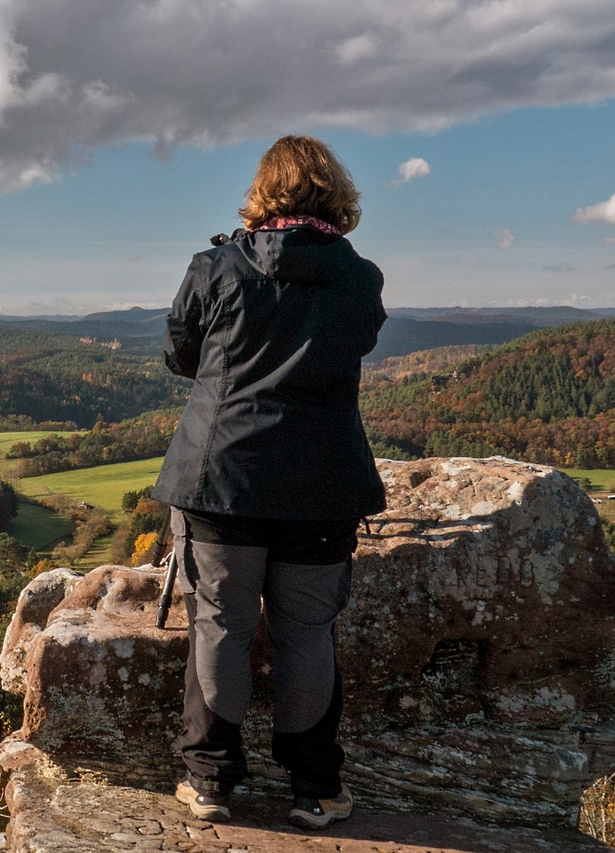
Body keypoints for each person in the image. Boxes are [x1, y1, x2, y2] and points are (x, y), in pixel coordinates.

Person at [151, 135, 386, 829]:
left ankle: (209, 781)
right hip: (322, 482)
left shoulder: (216, 267)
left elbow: (179, 353)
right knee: (307, 629)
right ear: (335, 197)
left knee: (221, 623)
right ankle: (316, 787)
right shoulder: (360, 277)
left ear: (262, 194)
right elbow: (359, 341)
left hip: (222, 478)